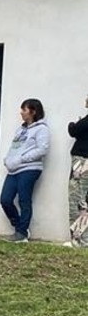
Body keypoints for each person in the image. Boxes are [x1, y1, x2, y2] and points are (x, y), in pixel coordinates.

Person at [0, 98, 50, 243]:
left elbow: (42, 149)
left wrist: (22, 159)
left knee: (24, 200)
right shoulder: (20, 129)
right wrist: (8, 159)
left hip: (29, 169)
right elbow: (15, 146)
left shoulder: (42, 129)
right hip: (13, 169)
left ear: (33, 112)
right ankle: (19, 226)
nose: (21, 112)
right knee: (5, 200)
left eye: (24, 109)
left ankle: (21, 233)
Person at [67, 94, 88, 246]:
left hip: (82, 161)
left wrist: (72, 124)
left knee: (78, 198)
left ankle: (78, 239)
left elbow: (74, 130)